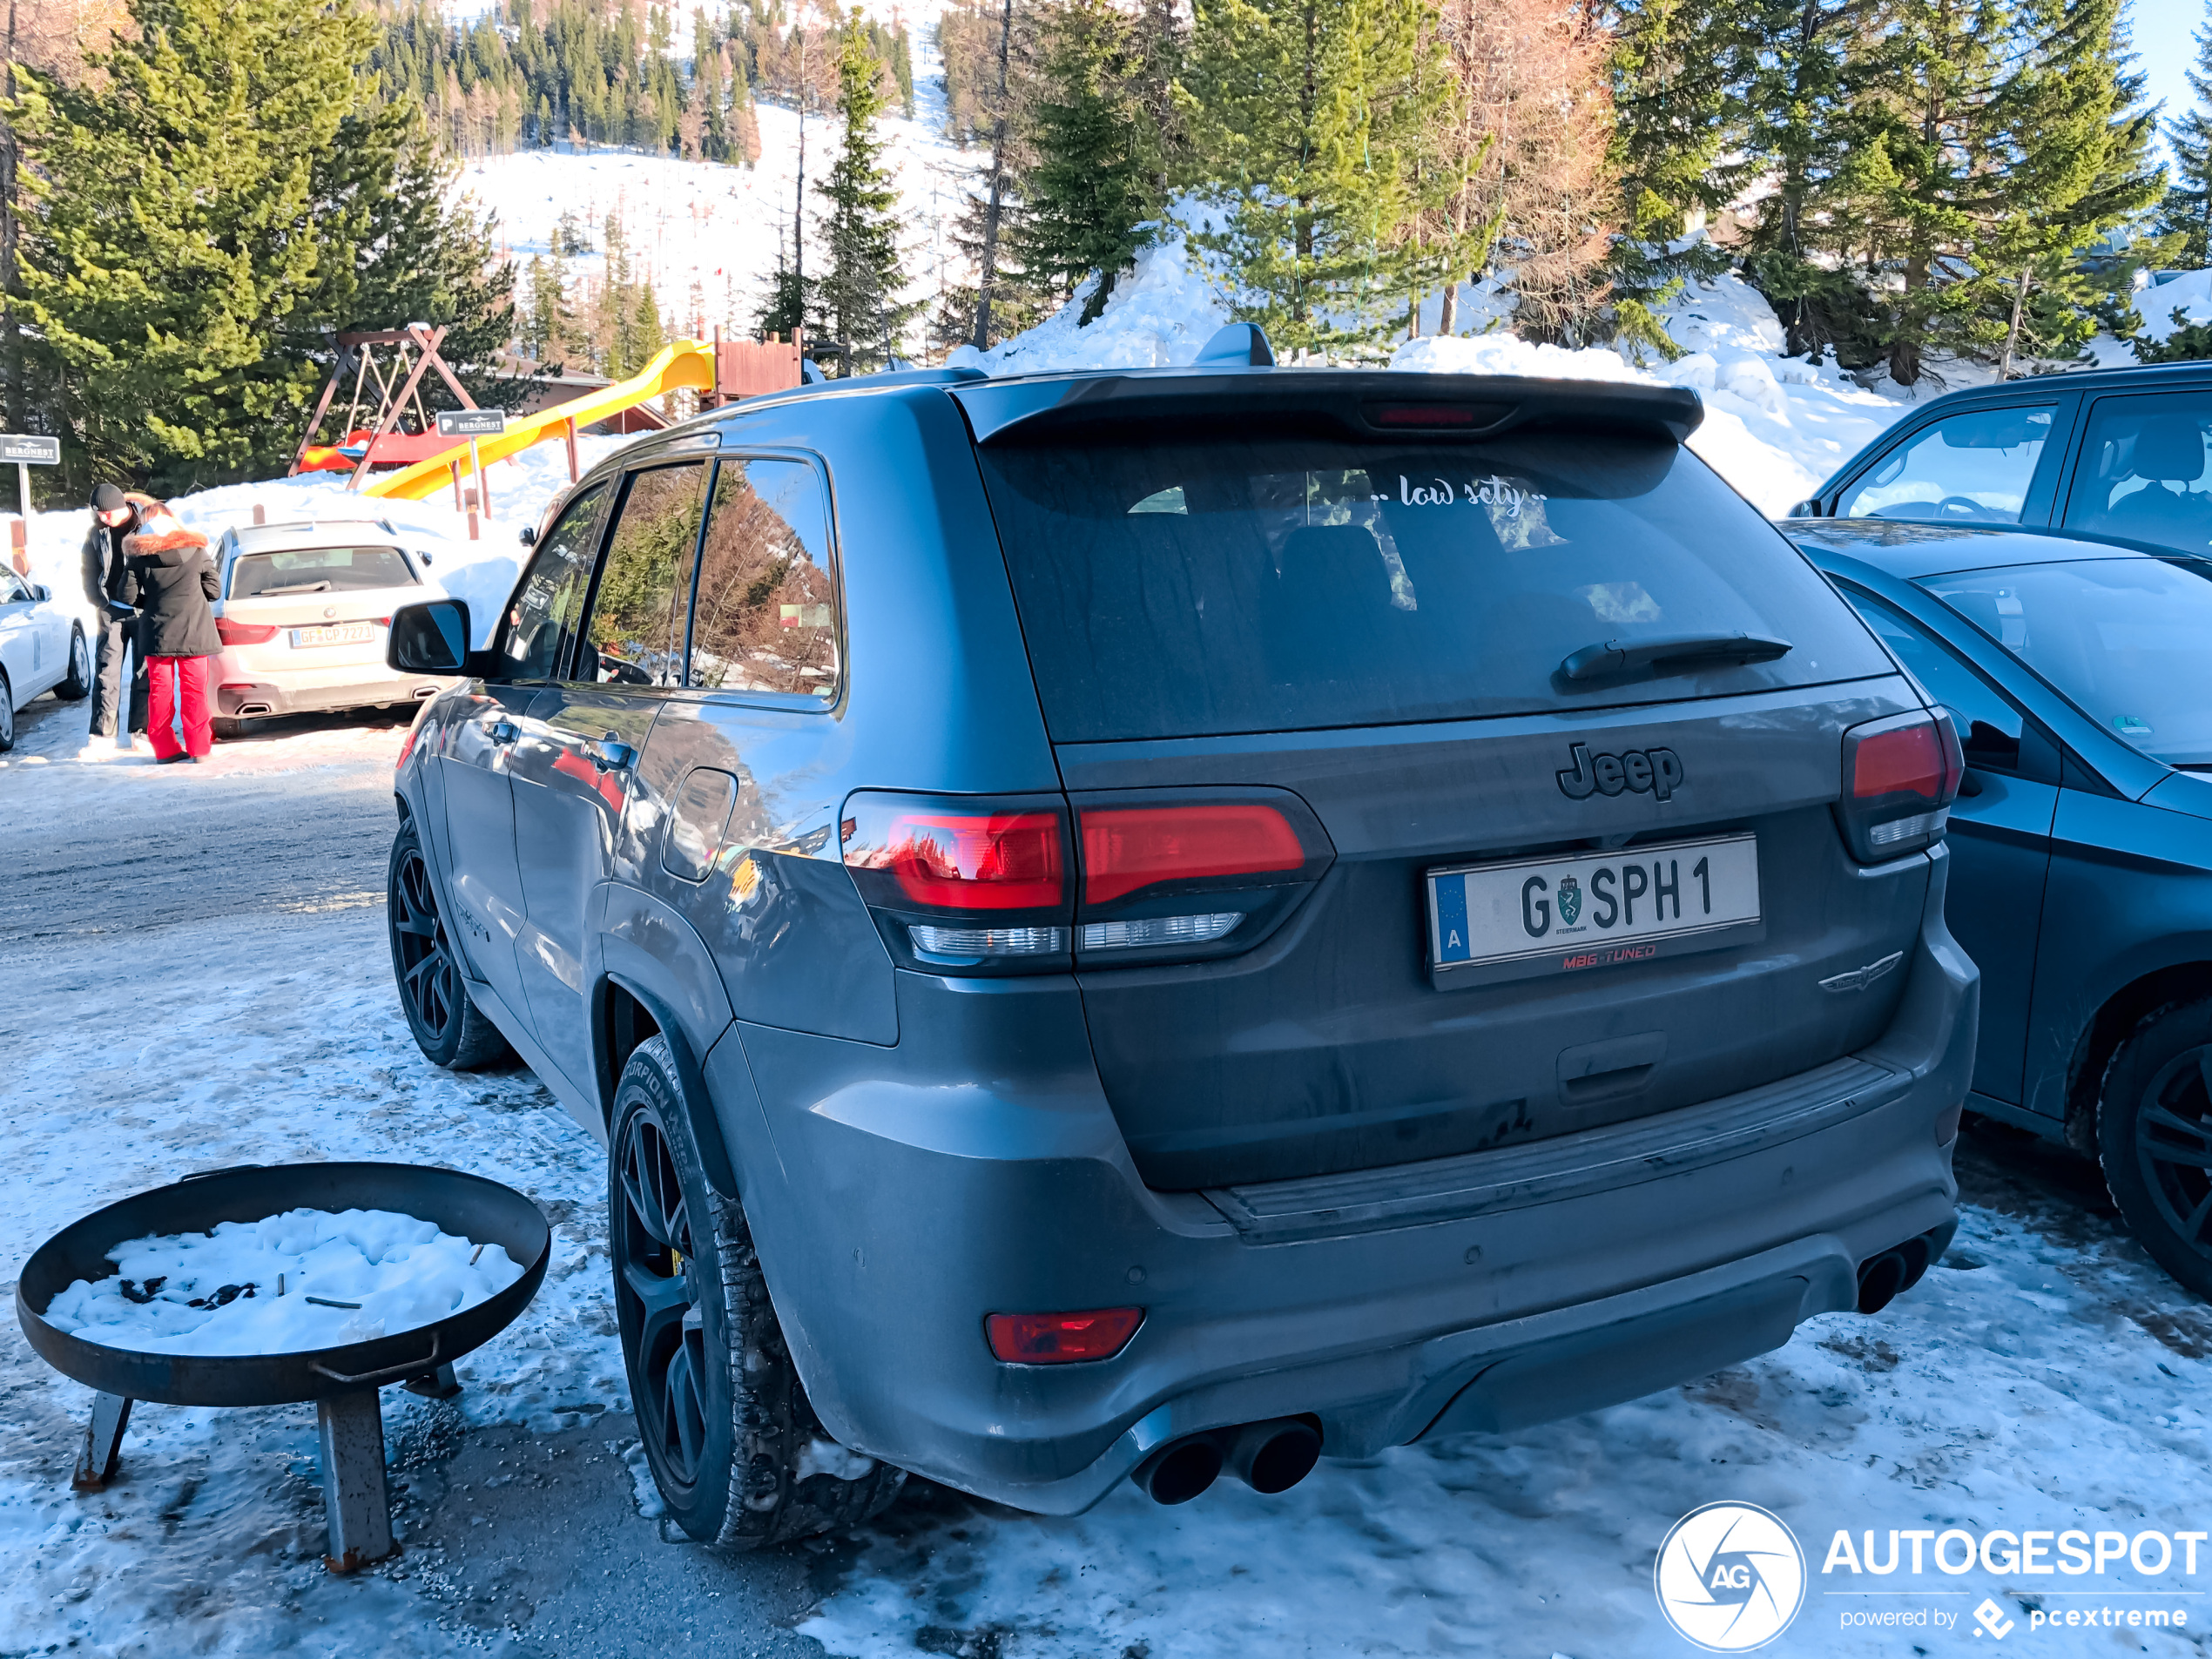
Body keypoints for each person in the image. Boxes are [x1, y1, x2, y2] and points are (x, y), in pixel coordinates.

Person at [122, 500, 220, 764]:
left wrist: (150, 602)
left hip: (157, 634)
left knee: (160, 692)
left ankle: (165, 749)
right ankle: (199, 749)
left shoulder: (138, 558)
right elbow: (214, 591)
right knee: (194, 691)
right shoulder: (197, 552)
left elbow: (127, 595)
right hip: (195, 633)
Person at [79, 482, 150, 744]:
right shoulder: (96, 533)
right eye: (98, 513)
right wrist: (98, 599)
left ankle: (141, 733)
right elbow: (88, 569)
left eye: (107, 513)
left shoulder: (145, 526)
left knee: (144, 672)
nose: (103, 518)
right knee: (106, 674)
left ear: (121, 507)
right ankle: (102, 736)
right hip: (112, 611)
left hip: (142, 610)